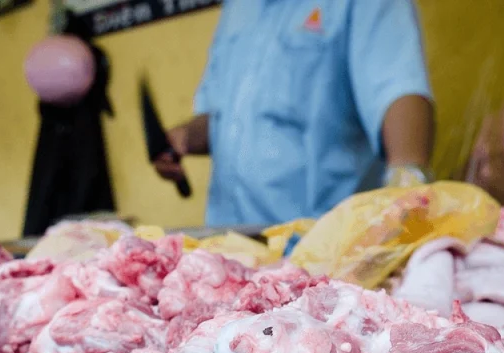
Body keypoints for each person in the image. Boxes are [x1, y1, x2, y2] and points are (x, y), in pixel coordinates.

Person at [154, 0, 434, 227]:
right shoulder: (237, 9)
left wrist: (408, 180)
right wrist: (185, 136)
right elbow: (222, 117)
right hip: (230, 242)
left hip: (318, 253)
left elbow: (399, 88)